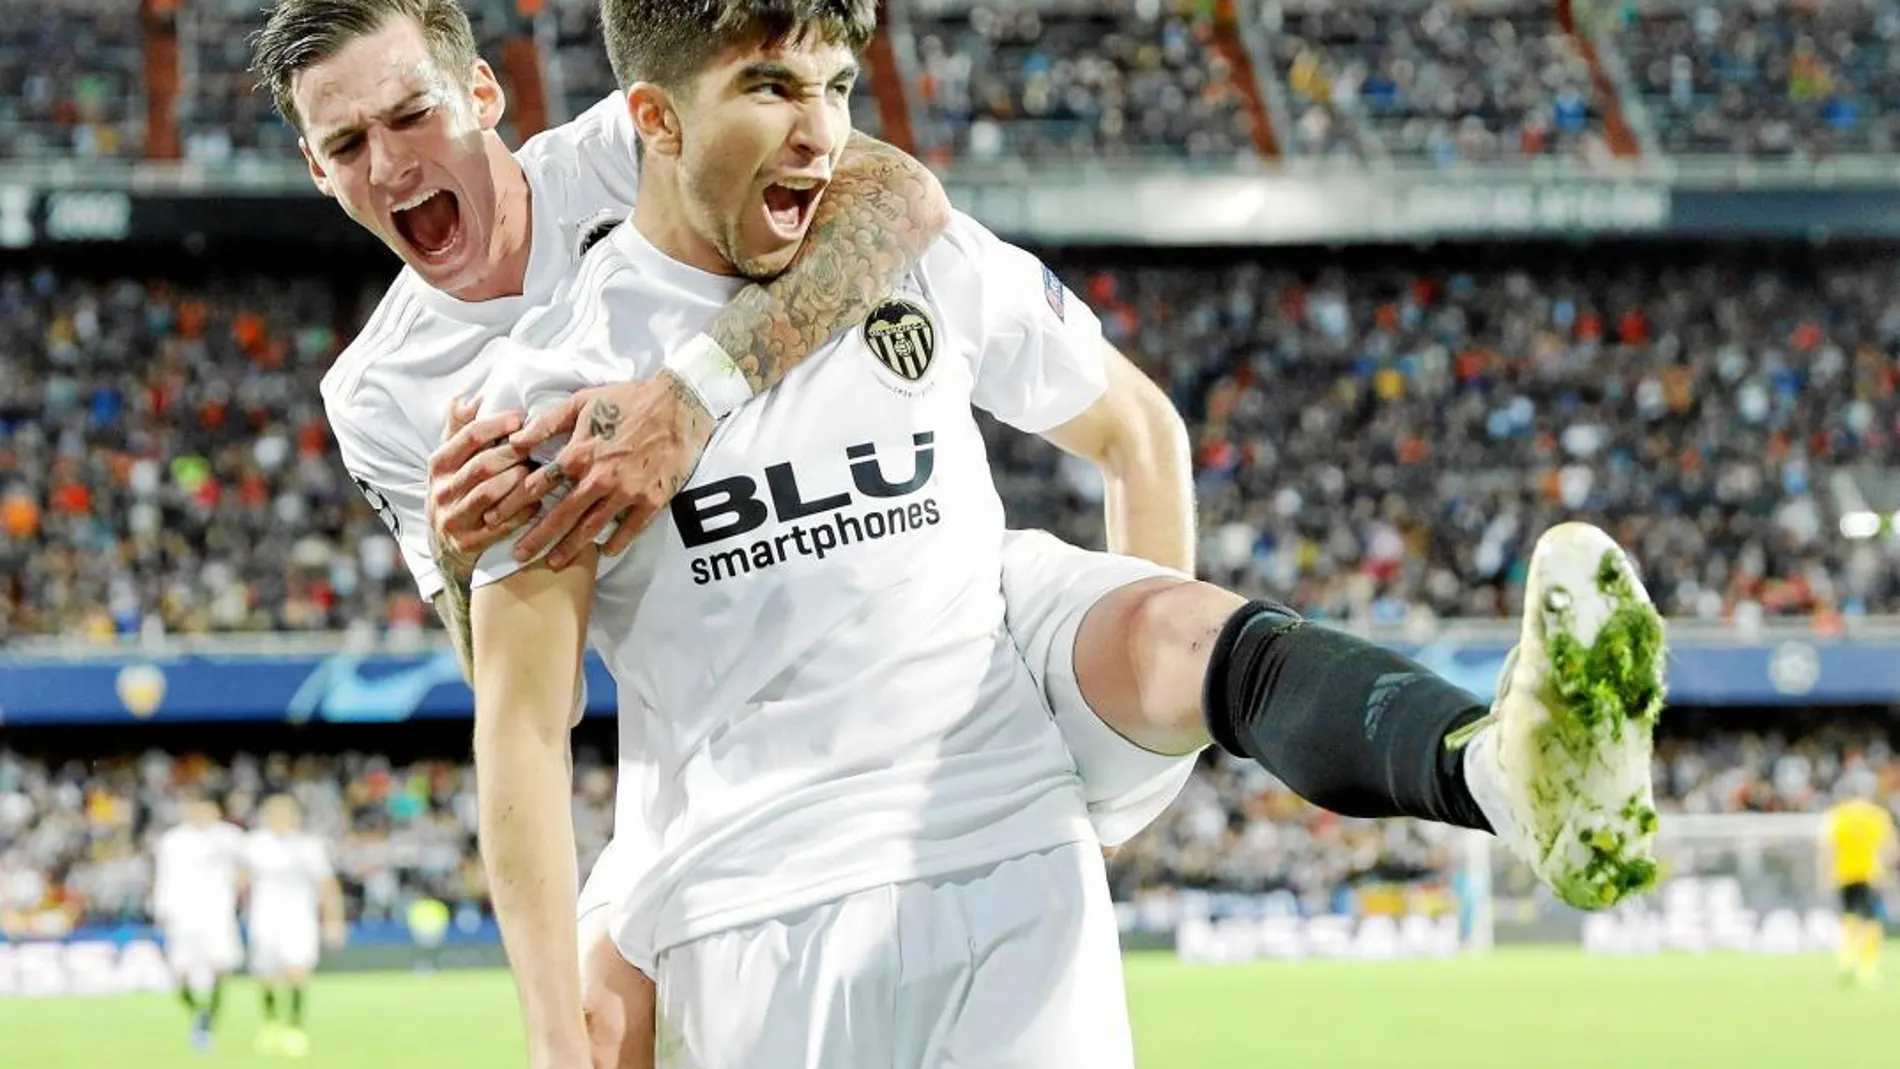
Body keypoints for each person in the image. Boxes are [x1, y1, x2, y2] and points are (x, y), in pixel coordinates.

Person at [454, 0, 1668, 1065]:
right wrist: (555, 1035)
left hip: (1017, 855)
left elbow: (1140, 433)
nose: (819, 131)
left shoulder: (912, 257)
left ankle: (1490, 765)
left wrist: (1134, 776)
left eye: (832, 85)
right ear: (653, 121)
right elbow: (519, 731)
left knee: (1132, 610)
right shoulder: (553, 389)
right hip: (760, 914)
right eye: (768, 87)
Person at [249, 0, 950, 1065]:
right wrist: (459, 555)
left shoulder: (622, 150)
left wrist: (693, 392)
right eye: (348, 145)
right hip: (692, 728)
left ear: (482, 93)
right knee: (598, 1034)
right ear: (316, 169)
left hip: (875, 580)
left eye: (412, 115)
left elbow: (899, 198)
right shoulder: (375, 396)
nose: (390, 166)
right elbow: (527, 697)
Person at [244, 794, 347, 1058]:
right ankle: (270, 1023)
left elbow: (327, 886)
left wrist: (333, 920)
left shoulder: (309, 847)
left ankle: (295, 1026)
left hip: (299, 918)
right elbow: (242, 881)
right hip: (263, 917)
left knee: (296, 971)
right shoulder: (254, 844)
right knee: (266, 974)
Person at [152, 792, 247, 1053]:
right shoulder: (173, 840)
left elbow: (246, 869)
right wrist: (162, 911)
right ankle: (198, 1014)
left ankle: (207, 1023)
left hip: (218, 914)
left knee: (220, 969)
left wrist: (241, 893)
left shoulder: (230, 837)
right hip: (182, 915)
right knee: (180, 972)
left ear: (216, 812)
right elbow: (163, 876)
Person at [1819, 785, 1895, 986]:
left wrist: (1826, 873)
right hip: (1871, 875)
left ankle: (1847, 959)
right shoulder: (1877, 815)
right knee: (1871, 920)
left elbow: (1827, 846)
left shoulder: (1838, 815)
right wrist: (1887, 871)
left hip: (1844, 874)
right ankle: (1867, 967)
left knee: (1849, 917)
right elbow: (1889, 846)